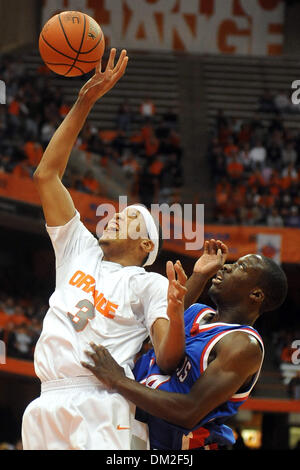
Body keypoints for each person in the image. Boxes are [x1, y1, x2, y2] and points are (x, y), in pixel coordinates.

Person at [21, 49, 189, 451]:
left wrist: (178, 309)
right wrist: (84, 102)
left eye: (128, 218)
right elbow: (46, 175)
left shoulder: (145, 284)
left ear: (147, 244)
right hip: (44, 400)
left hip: (102, 401)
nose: (113, 217)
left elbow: (167, 358)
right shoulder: (78, 247)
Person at [83, 246, 288, 450]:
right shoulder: (197, 312)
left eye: (240, 266)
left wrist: (119, 381)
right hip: (134, 431)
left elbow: (188, 412)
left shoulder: (243, 345)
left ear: (256, 294)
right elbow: (160, 318)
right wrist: (199, 275)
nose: (226, 267)